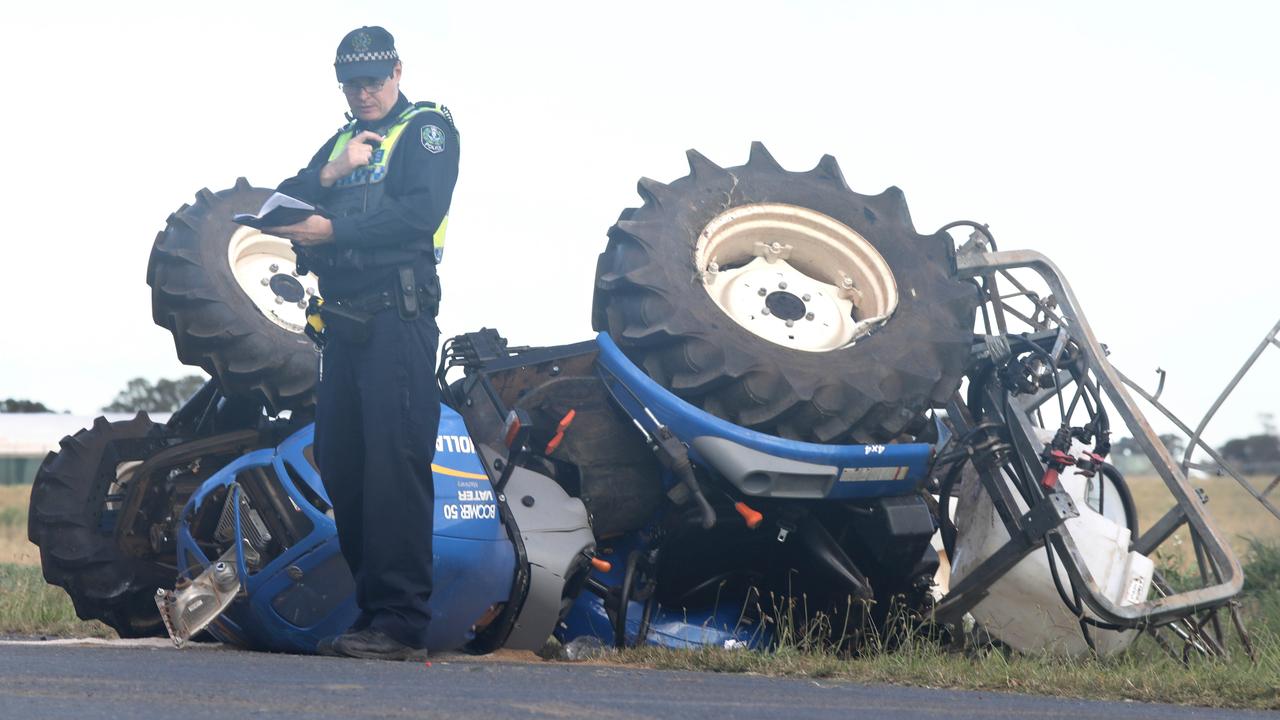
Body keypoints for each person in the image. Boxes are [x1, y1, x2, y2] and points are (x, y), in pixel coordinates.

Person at [264, 25, 459, 661]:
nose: (364, 93)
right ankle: (373, 615)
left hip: (397, 320)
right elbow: (283, 199)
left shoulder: (427, 131)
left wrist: (332, 227)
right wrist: (331, 170)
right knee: (344, 465)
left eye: (374, 80)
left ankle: (402, 623)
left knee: (394, 466)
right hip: (342, 326)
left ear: (398, 72)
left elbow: (416, 213)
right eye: (352, 83)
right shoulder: (345, 139)